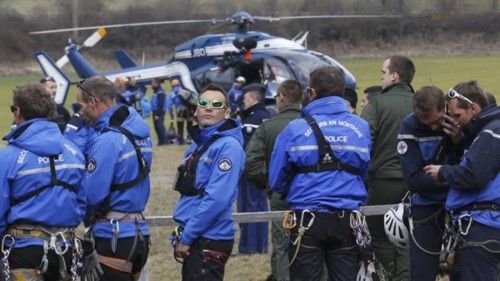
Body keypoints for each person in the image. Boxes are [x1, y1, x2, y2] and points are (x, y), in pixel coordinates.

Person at [269, 66, 371, 281]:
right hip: (347, 221)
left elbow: (276, 179)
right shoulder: (361, 127)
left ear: (312, 93)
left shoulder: (294, 129)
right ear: (343, 93)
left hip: (307, 220)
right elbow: (363, 172)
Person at [0, 83, 86, 280]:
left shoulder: (7, 158)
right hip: (66, 250)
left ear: (18, 112)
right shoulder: (74, 152)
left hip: (23, 252)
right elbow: (82, 202)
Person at [76, 77, 152, 280]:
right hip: (139, 232)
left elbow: (92, 195)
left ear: (93, 102)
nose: (80, 111)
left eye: (81, 105)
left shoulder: (107, 140)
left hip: (113, 236)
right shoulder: (140, 132)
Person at [424, 81, 500, 281]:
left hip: (483, 225)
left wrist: (443, 172)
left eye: (457, 116)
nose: (455, 123)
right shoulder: (486, 131)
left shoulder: (491, 132)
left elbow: (475, 175)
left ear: (473, 108)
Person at [172, 84, 245, 281]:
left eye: (216, 104)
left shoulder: (228, 147)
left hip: (209, 238)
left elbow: (217, 199)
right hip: (196, 236)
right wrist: (181, 231)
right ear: (196, 110)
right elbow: (189, 194)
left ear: (227, 112)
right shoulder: (198, 145)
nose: (209, 107)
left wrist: (187, 236)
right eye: (203, 103)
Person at [397, 86, 463, 281]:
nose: (435, 127)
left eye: (437, 121)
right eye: (428, 123)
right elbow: (414, 181)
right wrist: (453, 177)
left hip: (459, 206)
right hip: (425, 207)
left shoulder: (457, 120)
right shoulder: (408, 127)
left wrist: (459, 141)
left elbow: (472, 168)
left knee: (462, 269)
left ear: (444, 107)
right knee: (422, 272)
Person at [360, 55, 415, 281]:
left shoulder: (376, 105)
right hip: (416, 183)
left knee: (380, 236)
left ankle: (391, 274)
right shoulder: (421, 101)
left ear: (394, 76)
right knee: (408, 238)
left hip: (383, 182)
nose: (380, 77)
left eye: (383, 72)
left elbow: (363, 142)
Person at [244, 79, 303, 281]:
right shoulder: (313, 122)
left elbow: (251, 164)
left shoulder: (268, 127)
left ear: (281, 98)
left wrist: (270, 183)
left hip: (280, 195)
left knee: (282, 245)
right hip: (311, 194)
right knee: (311, 246)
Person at [238, 83, 271, 254]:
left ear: (252, 98)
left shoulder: (252, 119)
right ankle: (261, 245)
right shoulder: (267, 115)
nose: (243, 101)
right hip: (264, 169)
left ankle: (248, 247)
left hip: (250, 170)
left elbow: (246, 147)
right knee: (260, 206)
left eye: (245, 98)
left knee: (248, 207)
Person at [169, 79, 194, 144]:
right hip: (189, 110)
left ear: (172, 86)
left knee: (180, 126)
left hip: (180, 111)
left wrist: (171, 117)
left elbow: (170, 104)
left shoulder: (173, 92)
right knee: (190, 125)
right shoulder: (184, 90)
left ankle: (181, 140)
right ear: (179, 84)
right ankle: (190, 139)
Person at [150, 78, 168, 145]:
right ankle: (160, 142)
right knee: (157, 127)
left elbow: (161, 104)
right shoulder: (156, 91)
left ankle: (164, 142)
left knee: (160, 127)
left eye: (152, 82)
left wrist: (157, 114)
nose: (151, 84)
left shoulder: (160, 92)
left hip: (158, 112)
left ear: (156, 83)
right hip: (155, 112)